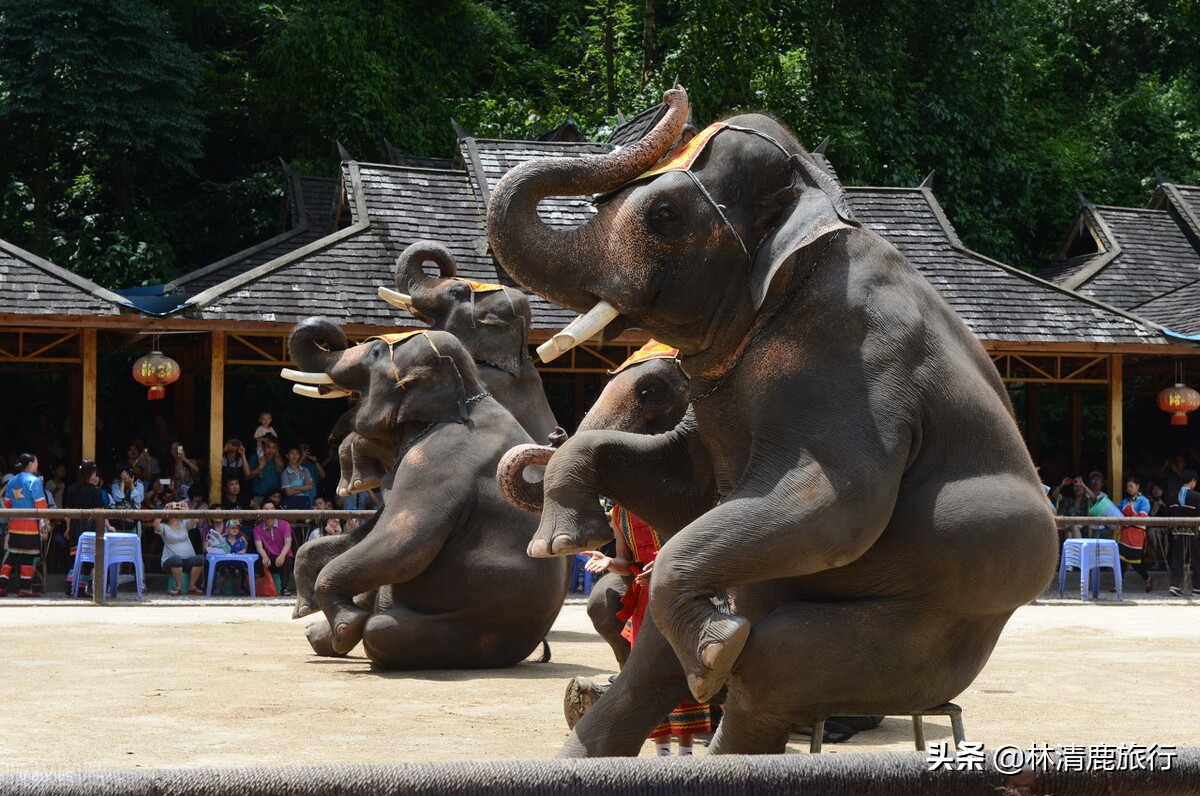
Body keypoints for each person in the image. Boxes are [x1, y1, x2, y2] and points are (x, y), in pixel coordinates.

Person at [583, 505, 712, 756]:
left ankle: (685, 755)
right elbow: (625, 562)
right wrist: (609, 562)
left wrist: (665, 566)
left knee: (682, 670)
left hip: (678, 591)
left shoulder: (670, 499)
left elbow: (694, 546)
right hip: (643, 599)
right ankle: (662, 755)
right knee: (648, 675)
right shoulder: (619, 514)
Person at [61, 460, 116, 597]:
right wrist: (109, 526)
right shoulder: (95, 491)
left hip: (74, 526)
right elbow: (101, 512)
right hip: (90, 527)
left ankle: (70, 585)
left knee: (75, 556)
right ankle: (79, 588)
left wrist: (68, 528)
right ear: (90, 473)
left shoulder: (71, 489)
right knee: (88, 558)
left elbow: (68, 512)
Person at [1, 453, 49, 596]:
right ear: (30, 464)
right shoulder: (35, 481)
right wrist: (45, 524)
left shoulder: (12, 481)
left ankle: (2, 586)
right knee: (29, 556)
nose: (37, 465)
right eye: (36, 462)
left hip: (14, 525)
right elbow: (41, 505)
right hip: (30, 528)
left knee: (11, 554)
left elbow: (7, 504)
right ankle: (25, 588)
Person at [153, 501, 205, 596]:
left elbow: (196, 520)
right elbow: (155, 525)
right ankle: (178, 586)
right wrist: (164, 510)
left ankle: (192, 586)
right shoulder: (164, 527)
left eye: (177, 510)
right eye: (173, 511)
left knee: (201, 559)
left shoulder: (184, 524)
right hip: (170, 562)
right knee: (176, 560)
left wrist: (187, 510)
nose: (175, 513)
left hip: (187, 560)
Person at [1167, 469, 1200, 597]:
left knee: (1177, 558)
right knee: (1197, 560)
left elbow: (1167, 515)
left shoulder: (1172, 496)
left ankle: (1174, 585)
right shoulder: (1197, 496)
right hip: (1194, 533)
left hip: (1176, 533)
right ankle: (1197, 588)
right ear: (1193, 481)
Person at [1117, 476, 1153, 592]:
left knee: (1135, 563)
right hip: (1124, 534)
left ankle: (1147, 579)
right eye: (1127, 487)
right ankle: (1118, 585)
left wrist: (1127, 519)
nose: (1129, 489)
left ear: (1138, 486)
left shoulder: (1143, 501)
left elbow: (1143, 515)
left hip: (1136, 535)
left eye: (1131, 486)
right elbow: (1116, 511)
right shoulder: (1125, 501)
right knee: (1120, 560)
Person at [253, 501, 294, 596]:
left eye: (272, 509)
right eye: (266, 509)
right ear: (262, 512)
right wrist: (264, 557)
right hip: (269, 558)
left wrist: (282, 556)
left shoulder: (284, 524)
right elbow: (259, 546)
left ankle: (284, 588)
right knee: (260, 561)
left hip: (282, 557)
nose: (270, 511)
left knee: (287, 560)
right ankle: (265, 587)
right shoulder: (257, 529)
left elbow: (288, 542)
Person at [215, 519, 250, 594]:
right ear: (227, 529)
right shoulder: (223, 540)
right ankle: (218, 588)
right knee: (225, 572)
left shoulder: (240, 541)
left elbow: (244, 550)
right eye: (232, 528)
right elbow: (218, 549)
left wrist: (242, 552)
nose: (235, 530)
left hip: (237, 563)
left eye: (237, 528)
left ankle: (239, 589)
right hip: (225, 563)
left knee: (237, 572)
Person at [248, 433, 283, 502]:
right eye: (268, 447)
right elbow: (247, 476)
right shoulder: (254, 458)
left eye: (274, 448)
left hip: (276, 498)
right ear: (262, 446)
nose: (271, 451)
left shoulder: (278, 460)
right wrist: (260, 467)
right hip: (259, 497)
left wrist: (278, 458)